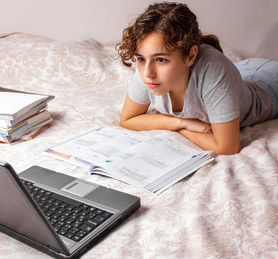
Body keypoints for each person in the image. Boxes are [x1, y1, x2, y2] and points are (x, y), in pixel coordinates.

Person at [116, 2, 278, 155]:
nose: (147, 73)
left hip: (271, 83)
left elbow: (227, 147)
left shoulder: (214, 68)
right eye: (141, 59)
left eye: (161, 60)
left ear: (191, 55)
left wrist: (182, 131)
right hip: (244, 72)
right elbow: (128, 119)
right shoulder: (148, 67)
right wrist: (180, 123)